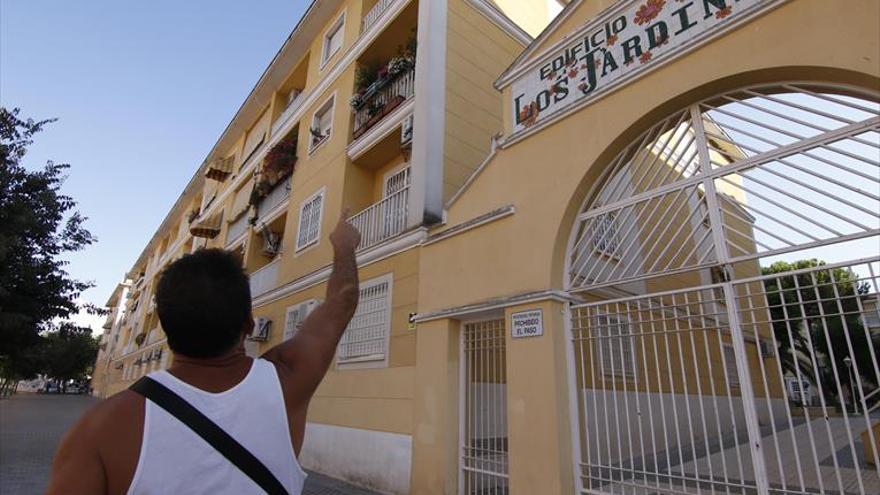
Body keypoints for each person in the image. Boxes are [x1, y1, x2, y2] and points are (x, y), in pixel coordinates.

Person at [47, 211, 361, 494]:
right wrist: (343, 245)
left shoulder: (96, 430)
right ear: (249, 324)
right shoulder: (286, 382)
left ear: (168, 331)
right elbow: (341, 302)